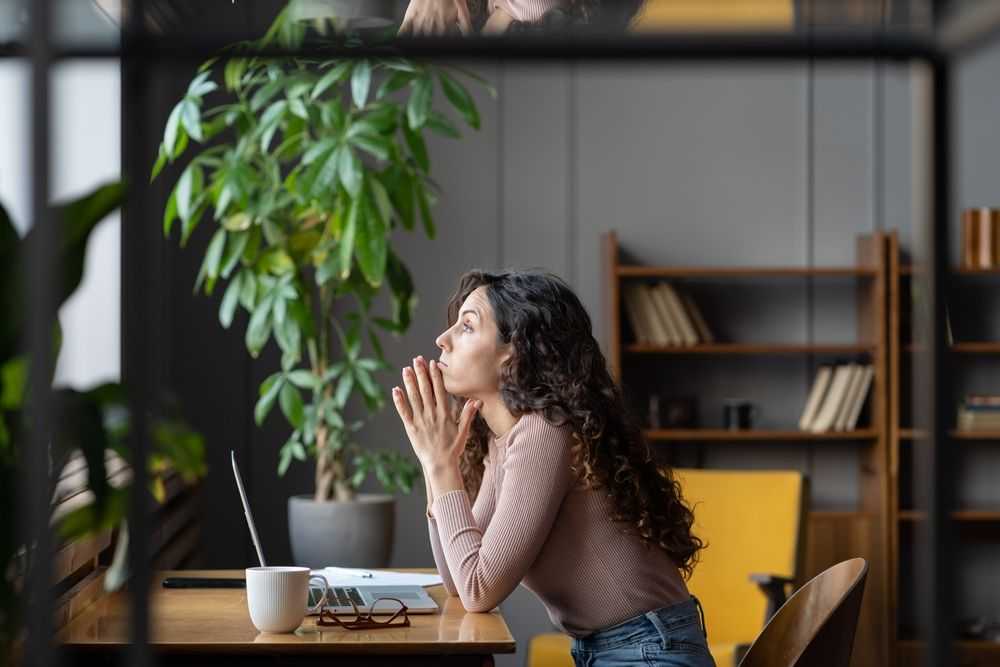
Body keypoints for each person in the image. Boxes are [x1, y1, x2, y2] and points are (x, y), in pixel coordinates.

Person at [390, 269, 715, 667]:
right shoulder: (505, 442)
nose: (443, 339)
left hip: (648, 652)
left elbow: (478, 589)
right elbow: (459, 582)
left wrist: (442, 467)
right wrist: (433, 462)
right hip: (621, 650)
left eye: (468, 326)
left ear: (516, 351)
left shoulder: (545, 431)